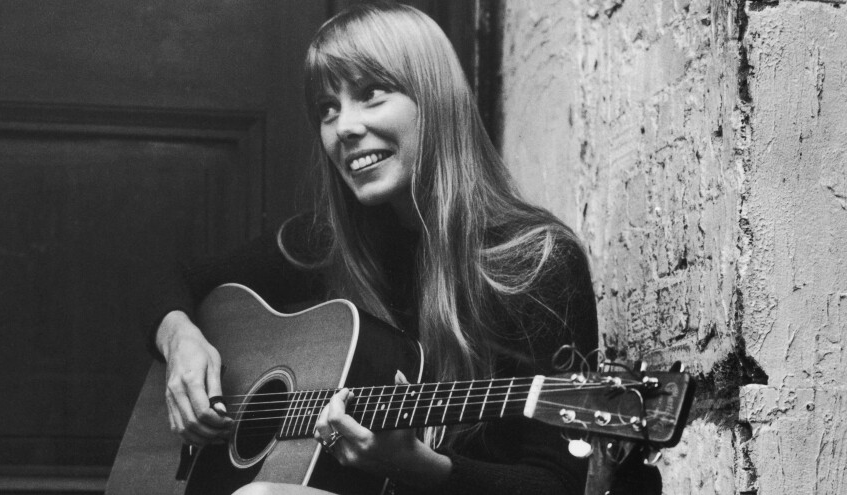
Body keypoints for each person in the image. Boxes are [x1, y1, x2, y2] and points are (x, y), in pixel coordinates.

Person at [145, 3, 600, 494]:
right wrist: (179, 340)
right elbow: (166, 283)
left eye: (371, 94)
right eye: (327, 107)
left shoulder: (534, 263)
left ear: (436, 99)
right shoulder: (323, 248)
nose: (343, 126)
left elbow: (557, 484)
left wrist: (416, 466)